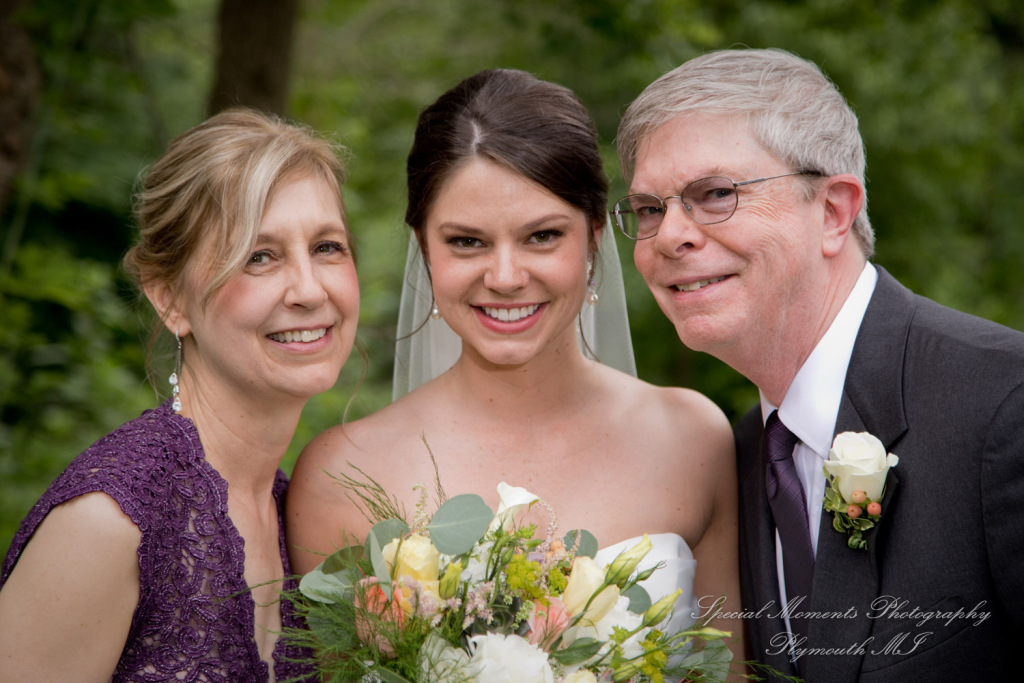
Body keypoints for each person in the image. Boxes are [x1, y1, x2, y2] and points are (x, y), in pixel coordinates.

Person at [287, 68, 743, 660]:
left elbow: (732, 669)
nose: (504, 277)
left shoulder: (694, 439)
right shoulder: (339, 475)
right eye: (467, 242)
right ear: (424, 249)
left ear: (595, 237)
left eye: (542, 236)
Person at [615, 47, 1024, 681]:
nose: (670, 236)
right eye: (649, 208)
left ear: (833, 211)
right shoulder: (746, 454)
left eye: (715, 194)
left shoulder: (1005, 403)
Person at [0, 107, 359, 682]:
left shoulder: (296, 519)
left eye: (327, 247)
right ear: (169, 298)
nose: (310, 289)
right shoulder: (109, 522)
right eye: (258, 256)